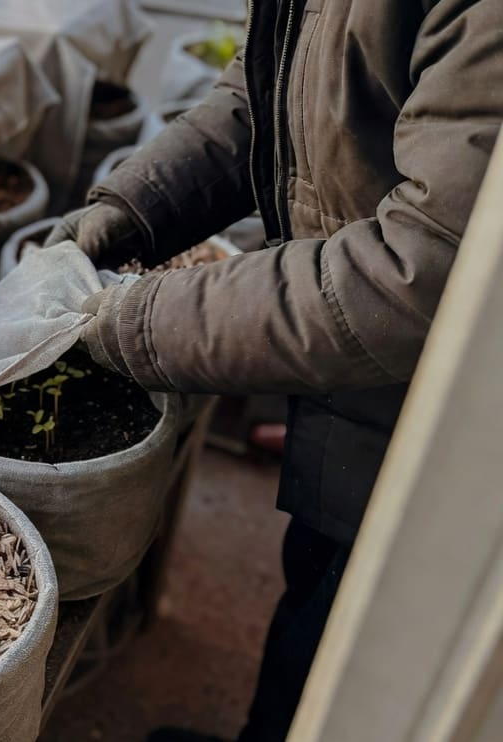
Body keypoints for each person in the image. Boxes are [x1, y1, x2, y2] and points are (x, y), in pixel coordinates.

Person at [47, 1, 503, 740]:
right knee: (314, 594)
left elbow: (420, 270)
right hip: (360, 397)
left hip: (445, 443)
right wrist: (135, 205)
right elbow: (265, 91)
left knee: (353, 655)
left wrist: (136, 319)